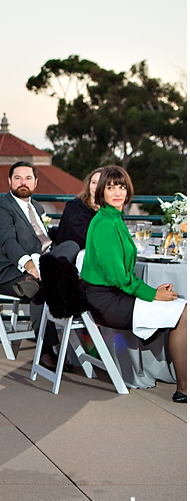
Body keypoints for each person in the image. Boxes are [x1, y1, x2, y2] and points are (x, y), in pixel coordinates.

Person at [81, 165, 187, 403]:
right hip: (106, 301)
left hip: (114, 295)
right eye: (110, 187)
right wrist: (153, 295)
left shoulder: (114, 218)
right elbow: (118, 277)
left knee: (180, 306)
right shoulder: (106, 224)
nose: (117, 192)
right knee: (183, 312)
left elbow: (123, 274)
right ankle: (184, 388)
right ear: (101, 192)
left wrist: (154, 292)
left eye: (121, 187)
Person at [0, 161, 64, 372]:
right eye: (17, 178)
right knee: (41, 288)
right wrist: (28, 265)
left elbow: (42, 240)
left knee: (70, 248)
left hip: (40, 265)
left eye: (28, 178)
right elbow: (6, 241)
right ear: (9, 181)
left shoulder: (37, 207)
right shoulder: (0, 206)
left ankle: (48, 278)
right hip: (7, 271)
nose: (22, 182)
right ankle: (46, 349)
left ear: (35, 182)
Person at [56, 167, 103, 249]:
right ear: (89, 184)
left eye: (101, 183)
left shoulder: (112, 210)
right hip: (73, 253)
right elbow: (83, 239)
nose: (96, 187)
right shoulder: (74, 208)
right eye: (94, 182)